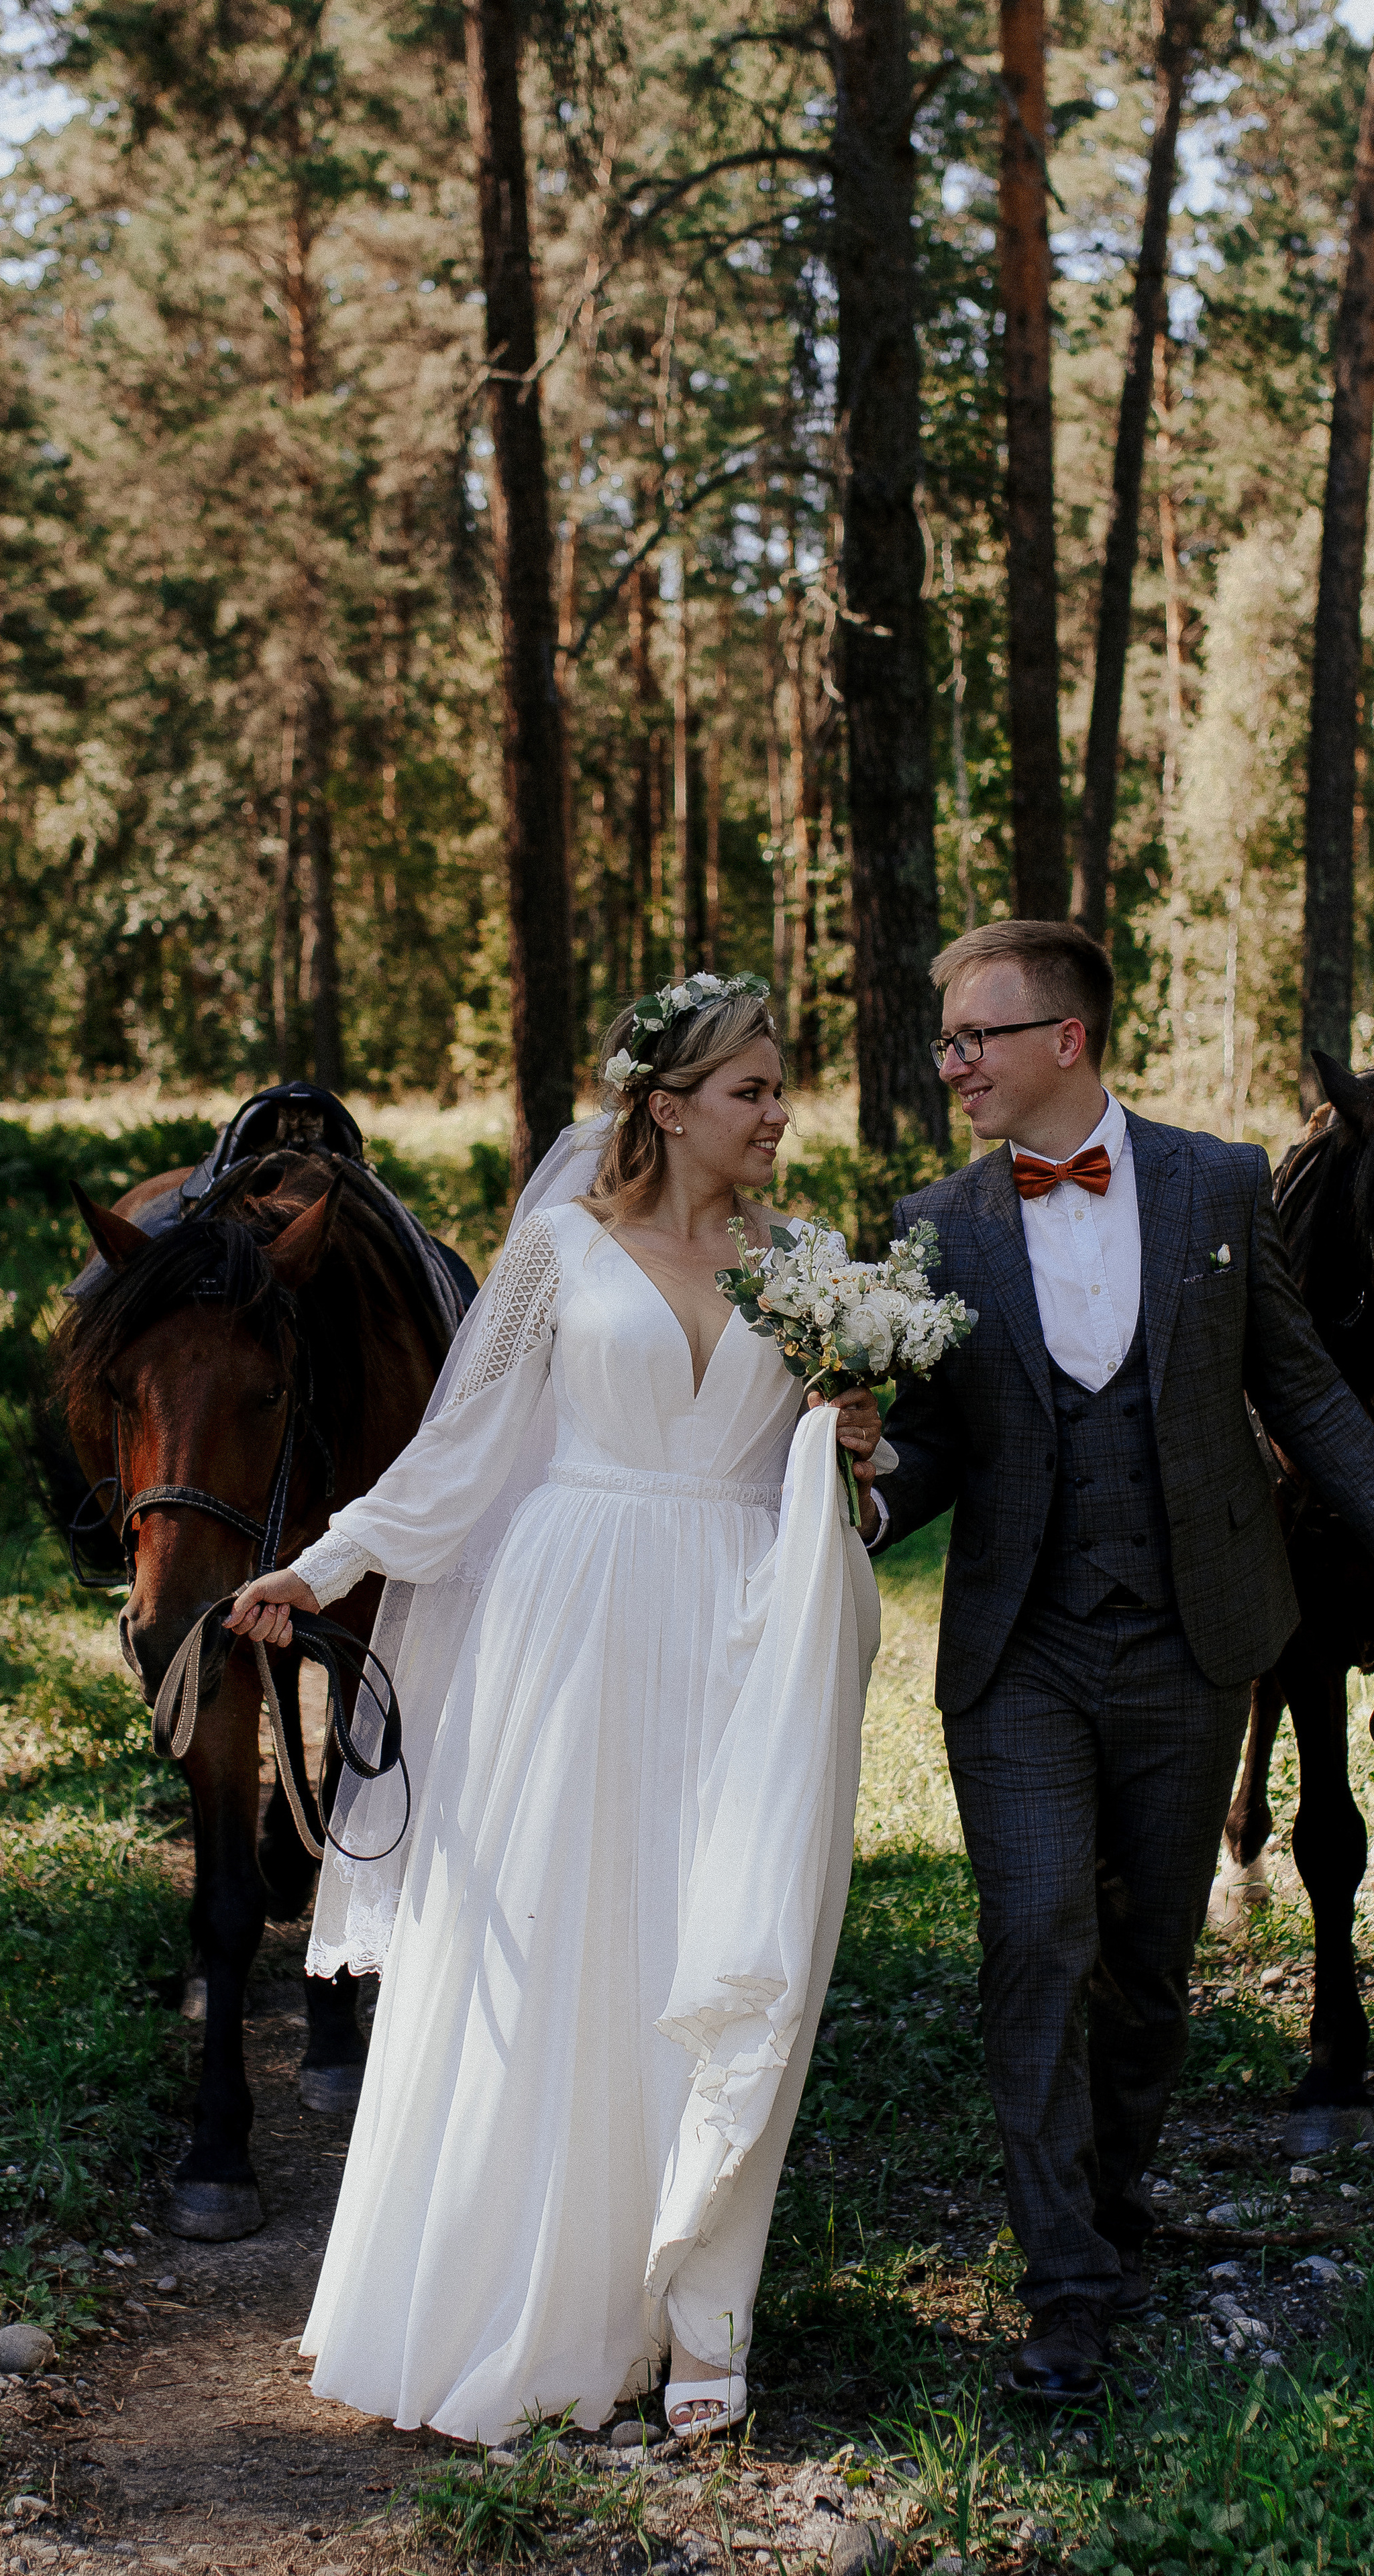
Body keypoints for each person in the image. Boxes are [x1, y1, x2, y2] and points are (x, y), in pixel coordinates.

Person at [867, 918, 1374, 2403]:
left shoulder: (1215, 1186)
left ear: (1065, 1040)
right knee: (1037, 1937)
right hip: (1020, 1651)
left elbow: (1302, 1394)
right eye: (944, 1040)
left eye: (973, 1034)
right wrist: (843, 1504)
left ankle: (1107, 2202)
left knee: (1148, 1971)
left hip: (1190, 1647)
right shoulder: (935, 1221)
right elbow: (921, 1450)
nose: (949, 1063)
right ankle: (1062, 2282)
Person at [227, 977, 886, 2443]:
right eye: (751, 1092)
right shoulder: (555, 1252)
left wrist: (850, 1444)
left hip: (739, 1628)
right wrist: (325, 1561)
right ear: (666, 1106)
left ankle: (697, 2310)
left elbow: (843, 1481)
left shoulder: (817, 1269)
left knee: (722, 1939)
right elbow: (460, 1453)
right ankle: (517, 2295)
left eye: (781, 1090)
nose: (779, 1115)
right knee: (570, 1944)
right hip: (570, 1621)